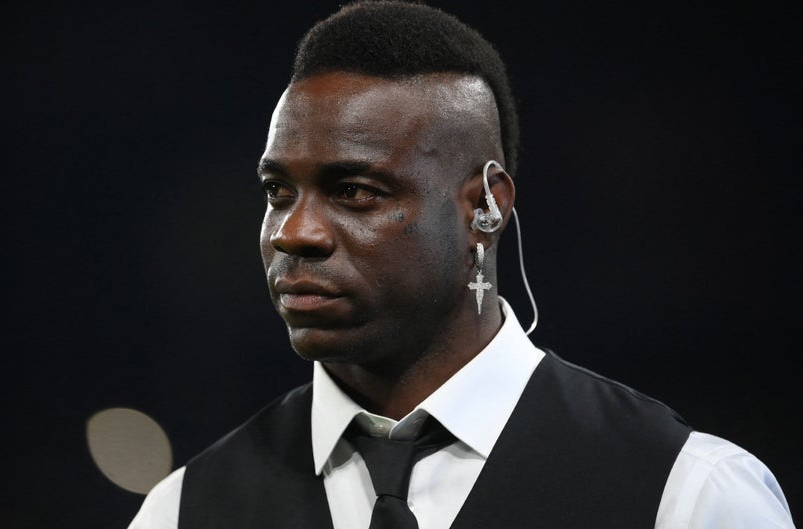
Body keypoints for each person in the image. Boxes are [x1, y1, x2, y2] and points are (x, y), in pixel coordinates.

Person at [129, 2, 794, 528]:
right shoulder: (181, 511)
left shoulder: (690, 496)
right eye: (279, 192)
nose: (294, 232)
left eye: (354, 191)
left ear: (484, 206)